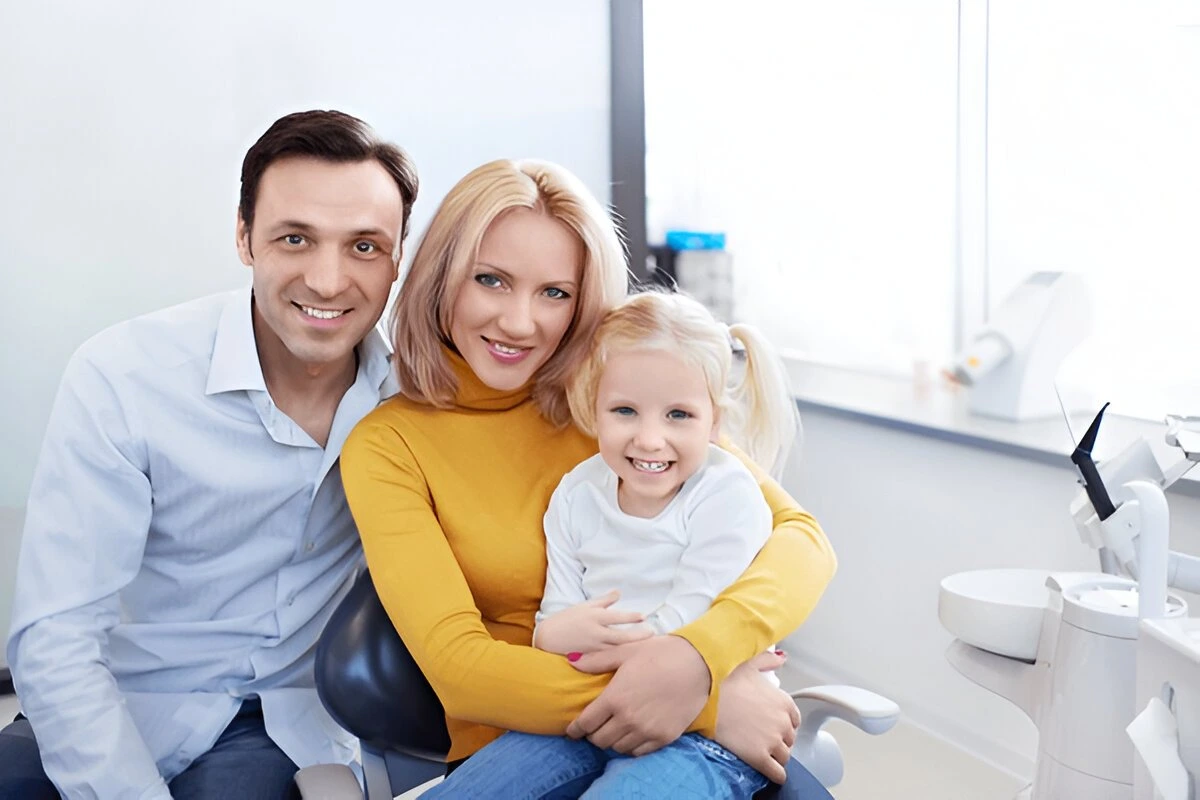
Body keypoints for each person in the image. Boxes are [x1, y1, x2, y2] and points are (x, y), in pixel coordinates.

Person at [340, 158, 838, 794]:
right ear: (442, 279)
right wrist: (704, 703)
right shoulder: (389, 446)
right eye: (490, 280)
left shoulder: (612, 399)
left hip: (681, 730)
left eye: (555, 292)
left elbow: (802, 539)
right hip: (522, 737)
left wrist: (698, 658)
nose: (521, 322)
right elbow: (460, 668)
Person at [0, 110, 418, 800]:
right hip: (115, 701)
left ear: (398, 257)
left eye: (365, 247)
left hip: (287, 726)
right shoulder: (125, 376)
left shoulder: (416, 399)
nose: (327, 279)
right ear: (244, 236)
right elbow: (58, 635)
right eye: (295, 238)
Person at [424, 289, 813, 798]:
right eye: (625, 411)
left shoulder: (728, 494)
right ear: (594, 408)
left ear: (714, 422)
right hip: (587, 712)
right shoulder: (577, 494)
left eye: (678, 415)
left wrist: (585, 644)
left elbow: (687, 639)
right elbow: (550, 633)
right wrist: (559, 639)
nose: (650, 439)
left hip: (708, 735)